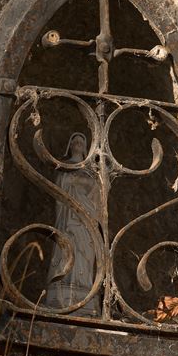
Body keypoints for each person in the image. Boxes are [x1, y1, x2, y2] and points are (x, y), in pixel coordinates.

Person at [44, 132, 101, 318]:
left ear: (85, 147)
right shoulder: (65, 166)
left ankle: (83, 292)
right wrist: (73, 184)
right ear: (70, 145)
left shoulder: (92, 169)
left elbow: (97, 194)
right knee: (66, 249)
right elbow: (60, 187)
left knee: (84, 252)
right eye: (75, 141)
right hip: (67, 216)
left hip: (85, 217)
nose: (77, 144)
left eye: (80, 142)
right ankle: (61, 295)